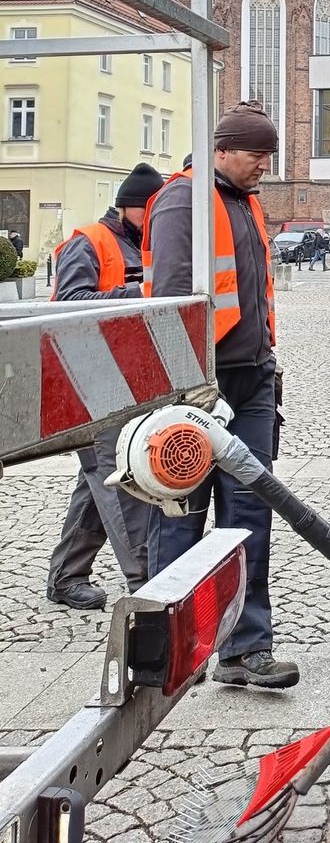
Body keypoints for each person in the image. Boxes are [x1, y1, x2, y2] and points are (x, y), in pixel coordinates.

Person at [142, 99, 299, 689]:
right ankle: (166, 649)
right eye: (258, 154)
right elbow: (173, 299)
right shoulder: (184, 201)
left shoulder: (244, 202)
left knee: (250, 508)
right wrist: (189, 384)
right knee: (182, 513)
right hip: (198, 381)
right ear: (224, 149)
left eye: (268, 154)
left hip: (251, 376)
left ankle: (244, 648)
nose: (265, 164)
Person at [45, 162, 166, 609]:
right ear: (132, 208)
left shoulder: (144, 243)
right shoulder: (89, 242)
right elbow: (69, 304)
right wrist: (137, 295)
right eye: (152, 213)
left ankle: (66, 577)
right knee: (119, 477)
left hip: (129, 382)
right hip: (92, 383)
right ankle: (148, 583)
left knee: (96, 480)